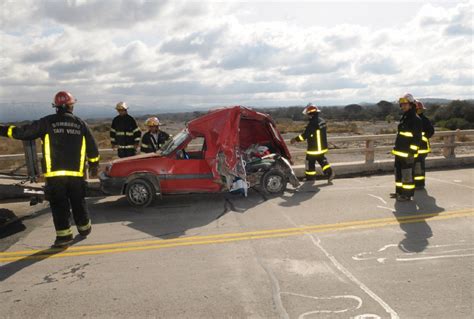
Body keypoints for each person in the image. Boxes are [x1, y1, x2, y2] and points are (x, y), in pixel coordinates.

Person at [0, 91, 100, 247]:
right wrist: (94, 165)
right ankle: (84, 228)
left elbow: (23, 132)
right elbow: (93, 148)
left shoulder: (47, 122)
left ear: (56, 107)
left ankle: (64, 237)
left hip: (55, 176)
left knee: (59, 205)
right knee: (78, 202)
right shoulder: (81, 124)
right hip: (76, 175)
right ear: (70, 106)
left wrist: (2, 129)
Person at [290, 103, 335, 183]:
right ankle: (330, 173)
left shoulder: (313, 123)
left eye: (308, 114)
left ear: (311, 113)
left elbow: (305, 135)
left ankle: (310, 178)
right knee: (322, 161)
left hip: (314, 148)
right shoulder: (321, 121)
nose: (307, 116)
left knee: (309, 162)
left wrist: (295, 139)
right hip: (322, 147)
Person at [390, 93, 422, 201]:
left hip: (408, 154)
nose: (403, 106)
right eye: (401, 104)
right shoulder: (405, 117)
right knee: (398, 174)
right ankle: (399, 192)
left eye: (405, 104)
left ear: (411, 104)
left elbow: (417, 138)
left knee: (407, 175)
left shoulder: (415, 119)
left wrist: (412, 152)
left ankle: (407, 195)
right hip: (399, 152)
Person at [414, 100, 435, 189]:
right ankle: (417, 183)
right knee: (417, 166)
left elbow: (431, 132)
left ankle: (419, 184)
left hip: (420, 148)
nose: (420, 111)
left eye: (420, 110)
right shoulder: (423, 120)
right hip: (419, 147)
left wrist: (422, 137)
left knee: (418, 166)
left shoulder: (422, 120)